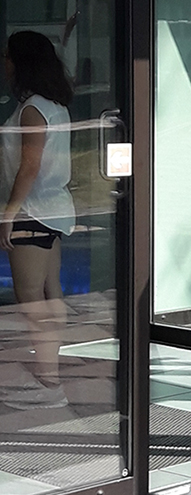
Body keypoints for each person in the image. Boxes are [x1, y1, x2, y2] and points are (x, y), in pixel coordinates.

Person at [0, 30, 75, 409]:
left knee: (30, 296)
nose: (5, 63)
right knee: (49, 291)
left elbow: (29, 166)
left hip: (33, 210)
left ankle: (48, 382)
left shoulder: (32, 109)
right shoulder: (54, 105)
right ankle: (50, 375)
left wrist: (8, 214)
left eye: (8, 56)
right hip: (54, 209)